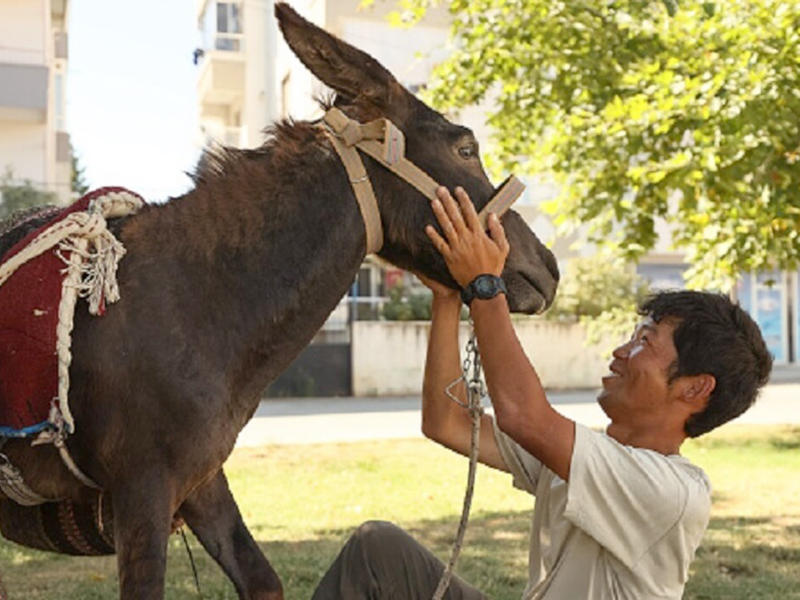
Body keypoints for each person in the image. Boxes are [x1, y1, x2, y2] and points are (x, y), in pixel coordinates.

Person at [311, 186, 772, 600]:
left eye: (644, 342)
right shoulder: (589, 457)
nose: (620, 351)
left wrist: (485, 286)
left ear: (695, 387)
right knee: (379, 550)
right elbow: (447, 423)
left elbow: (523, 415)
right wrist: (448, 297)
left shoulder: (672, 494)